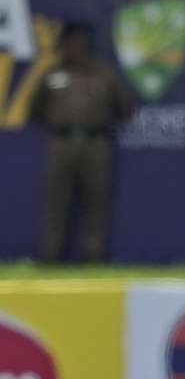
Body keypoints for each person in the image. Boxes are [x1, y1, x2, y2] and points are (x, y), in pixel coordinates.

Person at [28, 21, 135, 263]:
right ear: (63, 45)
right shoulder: (52, 74)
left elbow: (126, 108)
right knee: (56, 203)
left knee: (95, 203)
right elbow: (34, 110)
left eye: (79, 43)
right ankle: (50, 257)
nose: (74, 48)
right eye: (70, 43)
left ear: (88, 45)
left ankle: (93, 257)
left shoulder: (103, 74)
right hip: (61, 143)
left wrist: (101, 121)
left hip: (95, 143)